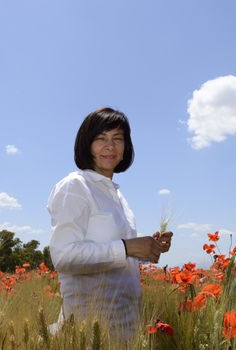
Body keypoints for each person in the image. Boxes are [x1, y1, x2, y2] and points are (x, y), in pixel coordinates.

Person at [47, 107, 173, 341]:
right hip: (88, 327)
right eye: (100, 139)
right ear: (86, 145)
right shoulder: (75, 186)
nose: (110, 146)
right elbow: (63, 257)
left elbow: (119, 254)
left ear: (126, 149)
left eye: (118, 139)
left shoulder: (118, 197)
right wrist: (128, 247)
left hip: (126, 322)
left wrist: (149, 248)